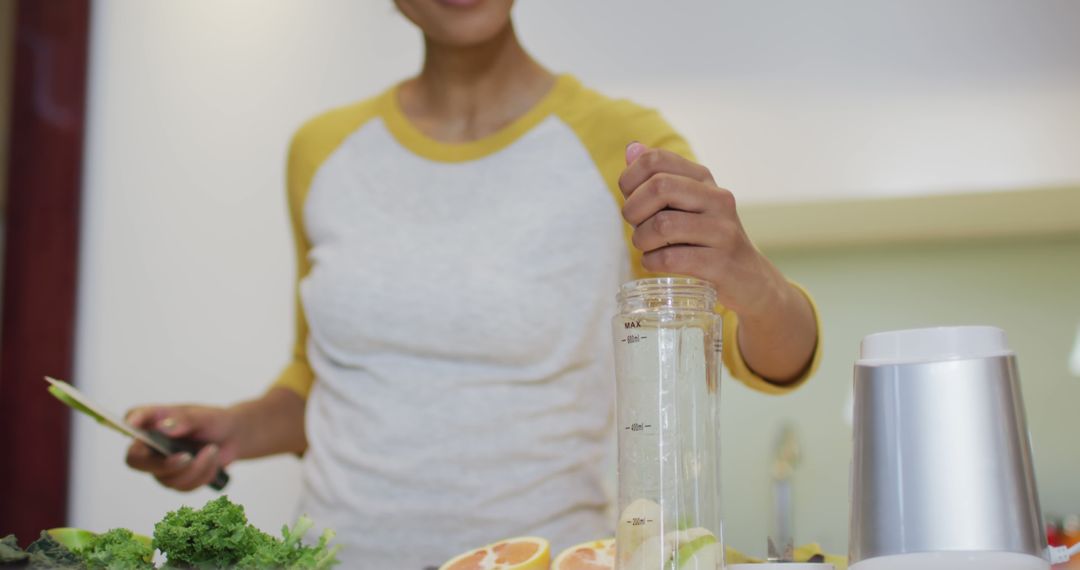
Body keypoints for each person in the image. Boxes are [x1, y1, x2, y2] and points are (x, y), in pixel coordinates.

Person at [124, 1, 821, 567]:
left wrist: (749, 277)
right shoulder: (322, 151)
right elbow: (322, 378)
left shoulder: (621, 140)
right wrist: (234, 430)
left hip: (544, 559)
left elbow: (753, 355)